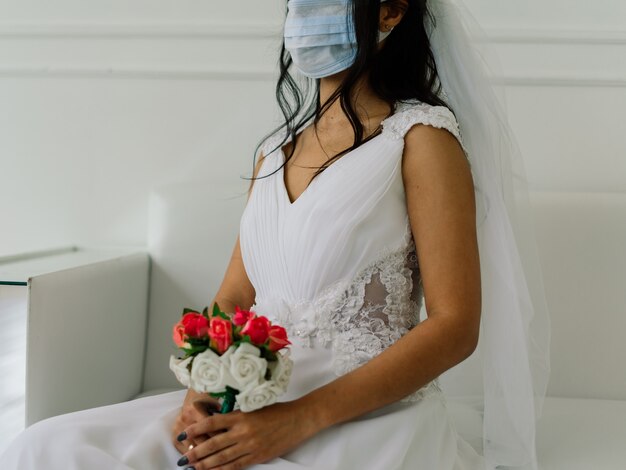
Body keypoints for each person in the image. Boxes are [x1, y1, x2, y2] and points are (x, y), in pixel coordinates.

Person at [0, 0, 551, 469]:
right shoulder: (274, 151)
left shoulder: (421, 140)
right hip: (254, 395)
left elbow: (456, 326)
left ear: (390, 10)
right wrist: (202, 390)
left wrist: (297, 420)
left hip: (365, 414)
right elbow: (236, 297)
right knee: (44, 446)